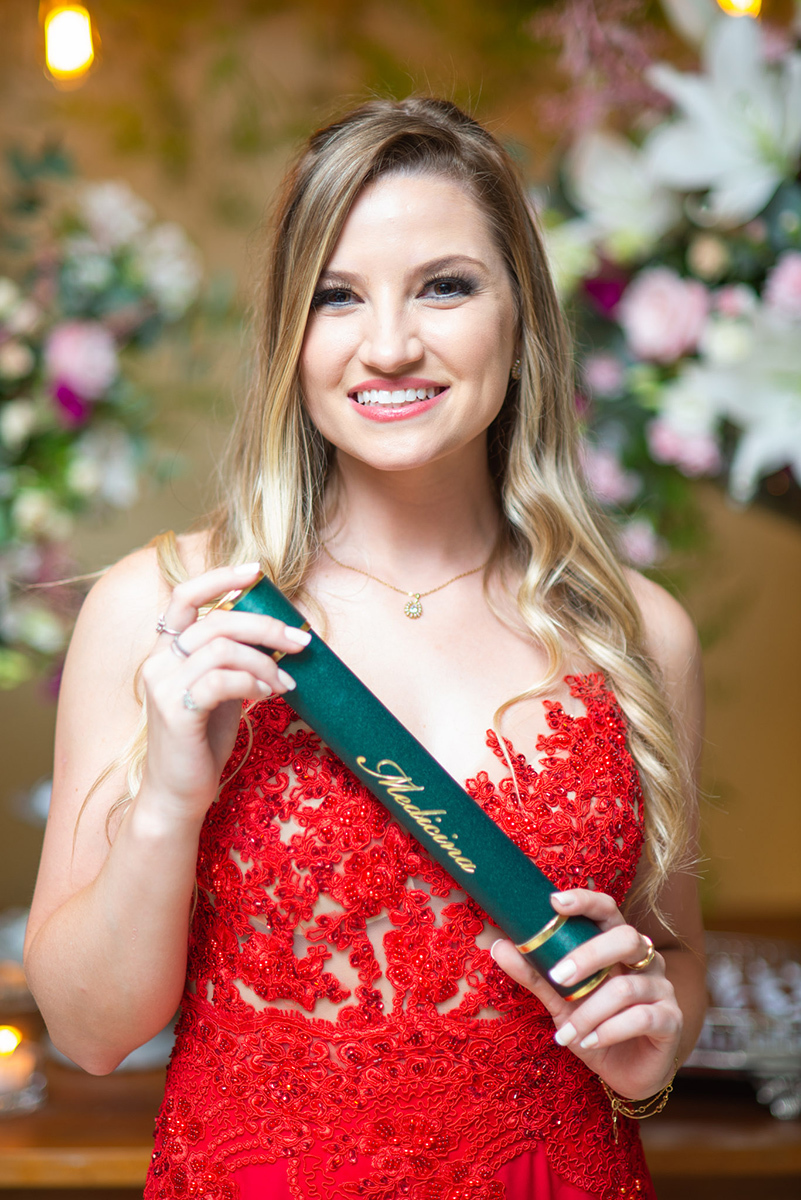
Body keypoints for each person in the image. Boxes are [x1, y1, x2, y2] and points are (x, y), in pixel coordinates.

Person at [23, 98, 706, 1200]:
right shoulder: (174, 611)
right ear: (290, 332)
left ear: (520, 316)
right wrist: (169, 801)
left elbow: (671, 960)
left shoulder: (635, 633)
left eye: (445, 285)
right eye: (338, 296)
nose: (389, 344)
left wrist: (651, 1043)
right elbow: (94, 1035)